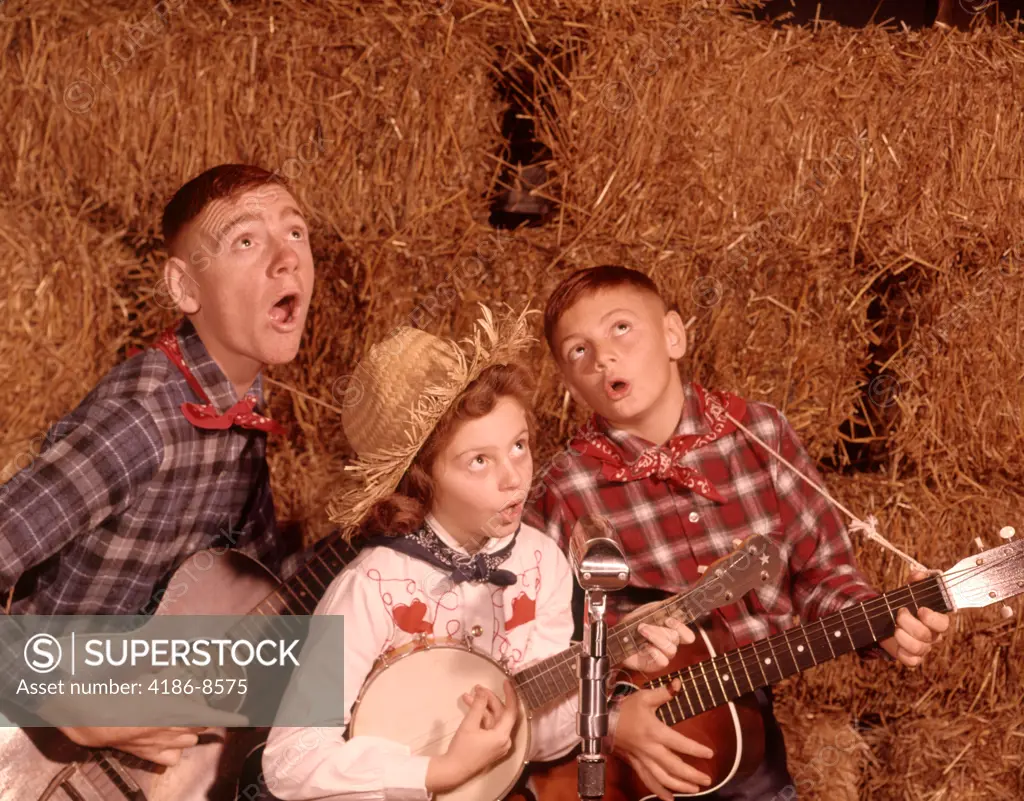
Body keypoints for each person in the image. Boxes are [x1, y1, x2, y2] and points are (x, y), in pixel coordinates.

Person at [525, 265, 951, 801]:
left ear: (674, 335)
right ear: (568, 382)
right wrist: (609, 721)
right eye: (578, 352)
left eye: (621, 329)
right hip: (613, 754)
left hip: (741, 739)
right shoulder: (563, 487)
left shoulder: (761, 434)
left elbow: (821, 572)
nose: (603, 356)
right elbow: (533, 648)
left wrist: (884, 626)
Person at [262, 307, 686, 800]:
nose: (514, 477)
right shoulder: (373, 587)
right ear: (420, 480)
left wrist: (608, 664)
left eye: (520, 446)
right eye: (479, 461)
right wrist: (434, 772)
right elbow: (289, 762)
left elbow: (543, 741)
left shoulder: (542, 562)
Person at [0, 163, 315, 766]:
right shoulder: (141, 423)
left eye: (295, 232)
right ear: (185, 288)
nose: (285, 259)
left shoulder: (246, 406)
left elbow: (256, 580)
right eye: (246, 241)